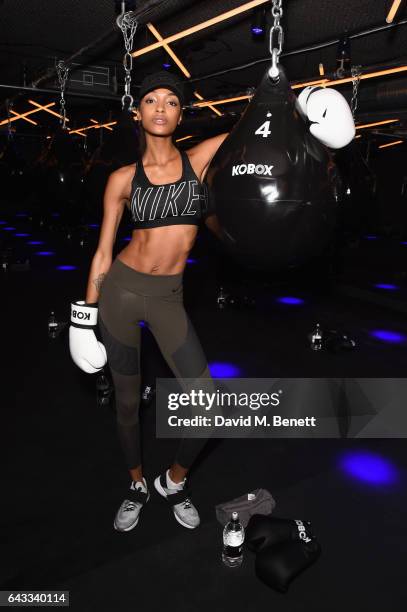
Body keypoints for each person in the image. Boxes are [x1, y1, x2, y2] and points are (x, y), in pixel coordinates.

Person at [74, 71, 228, 532]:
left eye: (171, 102)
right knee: (126, 405)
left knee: (209, 406)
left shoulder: (199, 161)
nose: (161, 107)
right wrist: (84, 319)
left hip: (169, 299)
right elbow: (103, 251)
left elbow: (250, 132)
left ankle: (172, 482)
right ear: (137, 112)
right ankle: (136, 484)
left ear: (181, 115)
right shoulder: (122, 179)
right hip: (120, 293)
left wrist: (298, 112)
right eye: (151, 100)